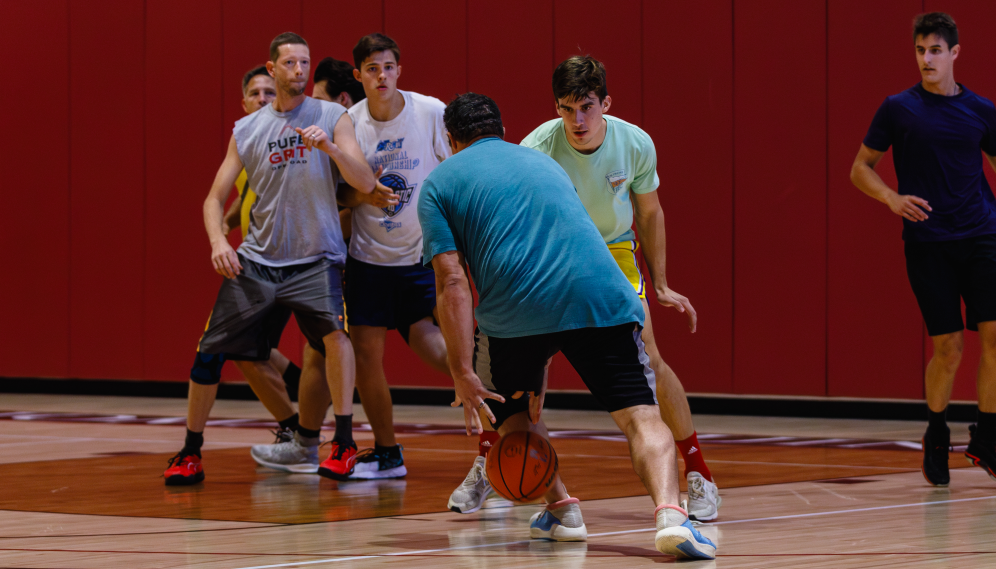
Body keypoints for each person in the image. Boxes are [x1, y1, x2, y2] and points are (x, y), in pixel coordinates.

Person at [418, 93, 716, 559]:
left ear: (449, 139)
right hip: (601, 293)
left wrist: (461, 369)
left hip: (515, 312)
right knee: (641, 414)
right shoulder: (544, 161)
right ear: (499, 128)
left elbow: (452, 281)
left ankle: (561, 508)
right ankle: (671, 517)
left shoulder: (439, 183)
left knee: (515, 416)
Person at [163, 32, 376, 485]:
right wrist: (219, 241)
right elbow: (213, 198)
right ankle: (190, 451)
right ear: (272, 68)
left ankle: (341, 441)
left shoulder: (333, 115)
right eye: (291, 64)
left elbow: (364, 180)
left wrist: (333, 150)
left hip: (317, 257)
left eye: (305, 63)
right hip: (258, 260)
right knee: (208, 355)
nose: (299, 71)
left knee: (336, 338)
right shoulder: (249, 130)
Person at [850, 12, 996, 486]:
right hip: (929, 243)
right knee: (949, 349)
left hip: (982, 236)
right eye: (920, 50)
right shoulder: (898, 109)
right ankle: (937, 430)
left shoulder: (982, 110)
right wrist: (891, 197)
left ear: (955, 53)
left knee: (995, 339)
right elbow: (861, 168)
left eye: (936, 50)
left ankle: (987, 438)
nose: (927, 58)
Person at [333, 33, 452, 479]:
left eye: (387, 67)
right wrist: (365, 197)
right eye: (371, 69)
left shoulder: (430, 112)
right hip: (369, 259)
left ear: (399, 69)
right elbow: (340, 192)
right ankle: (387, 453)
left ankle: (493, 436)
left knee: (445, 350)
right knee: (367, 357)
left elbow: (455, 170)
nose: (381, 75)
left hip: (421, 255)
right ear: (359, 75)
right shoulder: (349, 122)